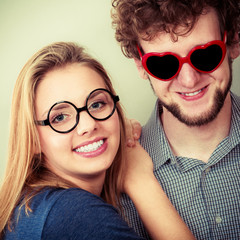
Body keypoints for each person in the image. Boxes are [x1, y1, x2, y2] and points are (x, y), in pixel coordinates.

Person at [0, 42, 195, 240]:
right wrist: (139, 180)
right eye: (59, 117)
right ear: (32, 140)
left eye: (97, 104)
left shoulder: (33, 207)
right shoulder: (73, 214)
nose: (88, 125)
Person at [111, 0, 240, 239]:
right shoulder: (116, 183)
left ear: (233, 41)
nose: (189, 80)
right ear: (140, 64)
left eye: (205, 55)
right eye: (163, 64)